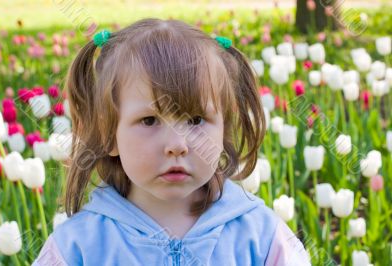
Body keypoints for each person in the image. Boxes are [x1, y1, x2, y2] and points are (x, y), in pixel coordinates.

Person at [33, 18, 311, 265]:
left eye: (196, 120)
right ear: (108, 134)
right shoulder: (79, 247)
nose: (177, 144)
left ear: (223, 130)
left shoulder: (261, 238)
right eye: (150, 121)